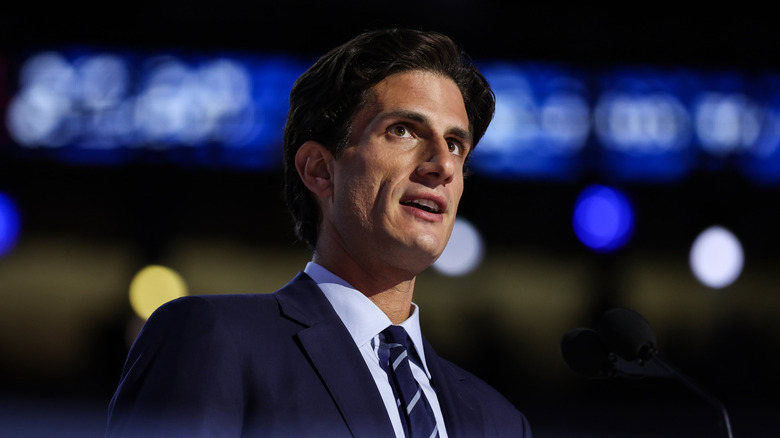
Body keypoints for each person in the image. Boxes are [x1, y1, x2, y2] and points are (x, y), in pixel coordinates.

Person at [106, 28, 532, 437]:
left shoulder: (501, 422)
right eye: (402, 130)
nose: (443, 164)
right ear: (319, 170)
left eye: (456, 144)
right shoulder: (213, 341)